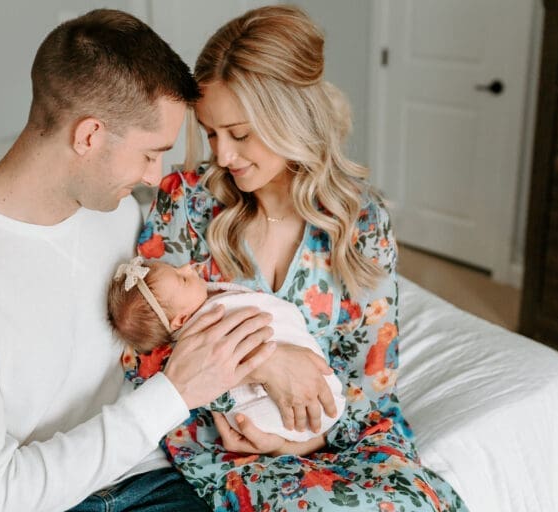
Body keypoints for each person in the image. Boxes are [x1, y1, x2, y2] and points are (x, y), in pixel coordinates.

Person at [0, 10, 282, 512]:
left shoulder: (116, 211)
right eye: (151, 152)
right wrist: (172, 395)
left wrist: (274, 362)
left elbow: (177, 318)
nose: (156, 176)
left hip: (156, 477)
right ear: (88, 136)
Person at [133, 5, 469, 511]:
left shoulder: (361, 222)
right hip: (231, 445)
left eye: (240, 134)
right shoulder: (185, 203)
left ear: (289, 117)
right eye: (210, 133)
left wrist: (304, 440)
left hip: (343, 439)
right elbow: (145, 349)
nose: (222, 155)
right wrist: (263, 364)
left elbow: (371, 383)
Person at [107, 256, 346, 442]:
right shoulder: (202, 336)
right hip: (258, 406)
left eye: (177, 269)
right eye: (183, 279)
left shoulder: (209, 299)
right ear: (181, 321)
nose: (188, 268)